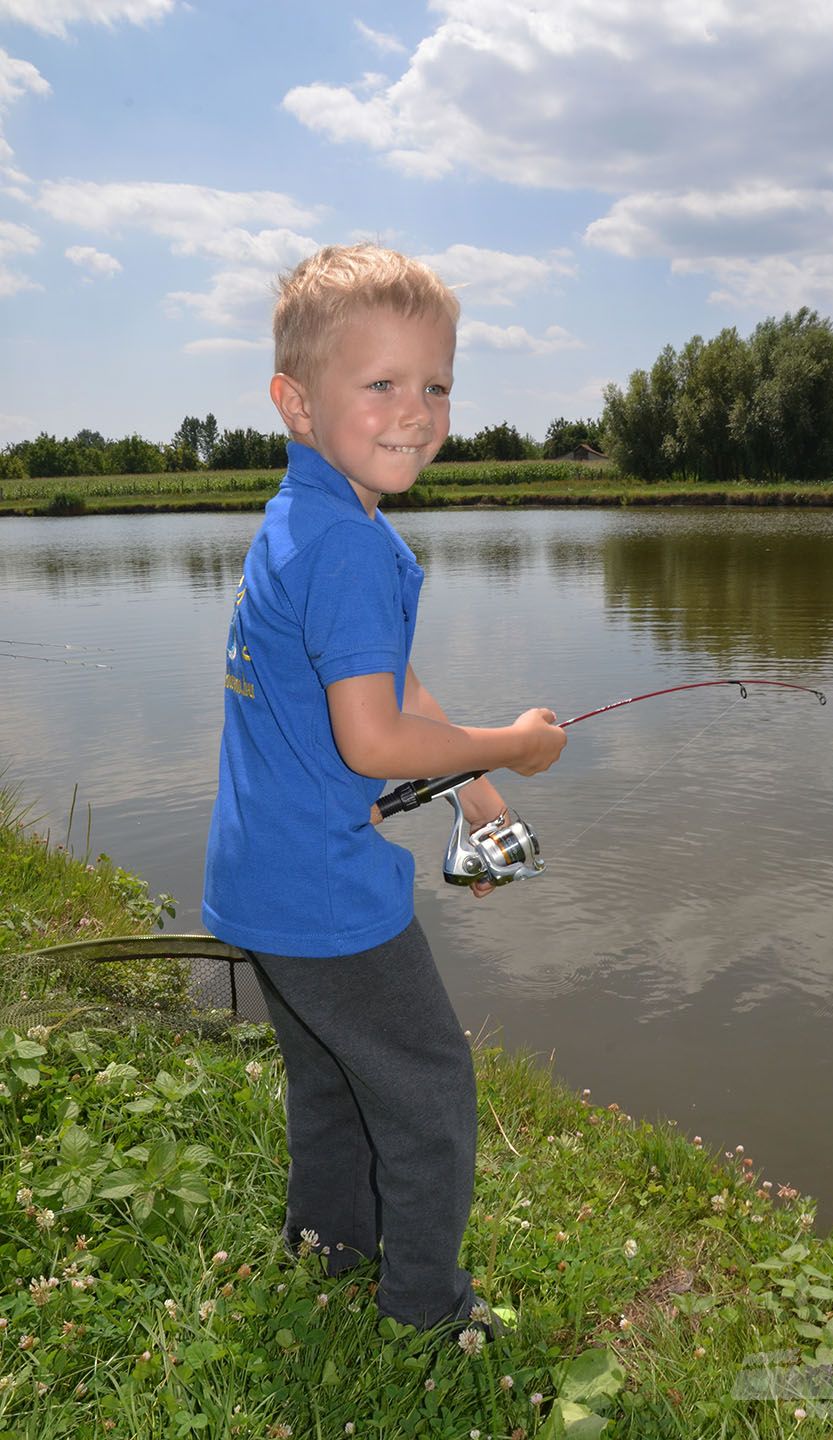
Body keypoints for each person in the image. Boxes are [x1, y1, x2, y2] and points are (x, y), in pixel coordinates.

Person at [201, 243, 566, 1331]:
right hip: (326, 893)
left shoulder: (312, 518)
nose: (417, 411)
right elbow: (370, 739)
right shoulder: (350, 548)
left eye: (437, 383)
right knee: (429, 1099)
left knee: (329, 1079)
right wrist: (509, 744)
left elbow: (386, 681)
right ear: (296, 400)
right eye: (382, 384)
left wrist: (471, 789)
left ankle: (328, 1243)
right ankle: (425, 1308)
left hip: (260, 875)